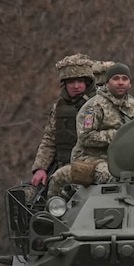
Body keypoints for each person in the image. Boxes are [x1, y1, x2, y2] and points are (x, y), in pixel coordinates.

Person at [48, 63, 134, 196]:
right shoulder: (94, 107)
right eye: (116, 79)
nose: (120, 83)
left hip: (126, 160)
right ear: (107, 83)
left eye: (124, 79)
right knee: (113, 177)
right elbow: (86, 137)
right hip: (94, 159)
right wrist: (120, 135)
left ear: (130, 84)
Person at [29, 54, 97, 188]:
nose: (76, 86)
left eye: (80, 81)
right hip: (63, 168)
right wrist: (40, 168)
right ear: (64, 84)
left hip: (93, 168)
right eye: (71, 82)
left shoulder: (99, 105)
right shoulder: (59, 108)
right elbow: (50, 139)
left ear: (87, 83)